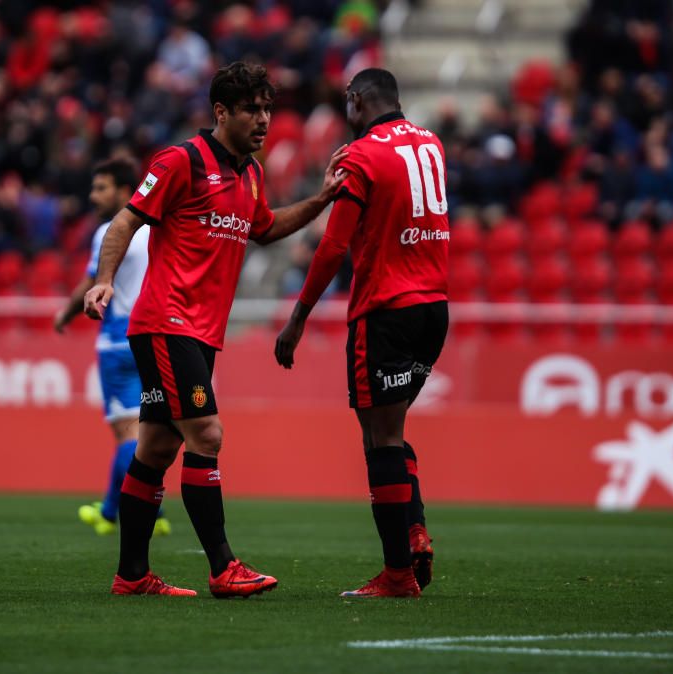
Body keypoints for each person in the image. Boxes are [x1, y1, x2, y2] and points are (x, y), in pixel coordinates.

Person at [83, 62, 347, 598]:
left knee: (155, 449)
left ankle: (131, 576)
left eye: (268, 109)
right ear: (221, 112)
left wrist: (321, 201)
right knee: (208, 434)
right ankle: (224, 567)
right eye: (252, 109)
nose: (264, 120)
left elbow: (265, 229)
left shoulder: (249, 174)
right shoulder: (181, 161)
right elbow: (126, 220)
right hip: (166, 321)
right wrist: (104, 280)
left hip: (201, 332)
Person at [274, 68, 449, 598]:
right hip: (434, 309)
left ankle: (397, 574)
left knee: (380, 438)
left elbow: (332, 247)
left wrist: (298, 317)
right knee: (390, 431)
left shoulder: (360, 156)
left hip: (385, 310)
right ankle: (413, 531)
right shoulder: (432, 144)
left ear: (355, 101)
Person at [54, 158, 172, 538]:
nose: (93, 196)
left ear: (125, 191)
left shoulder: (111, 230)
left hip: (119, 341)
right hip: (156, 336)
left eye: (101, 187)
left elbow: (91, 283)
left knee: (130, 437)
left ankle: (132, 511)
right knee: (150, 432)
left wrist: (64, 315)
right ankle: (128, 513)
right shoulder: (158, 229)